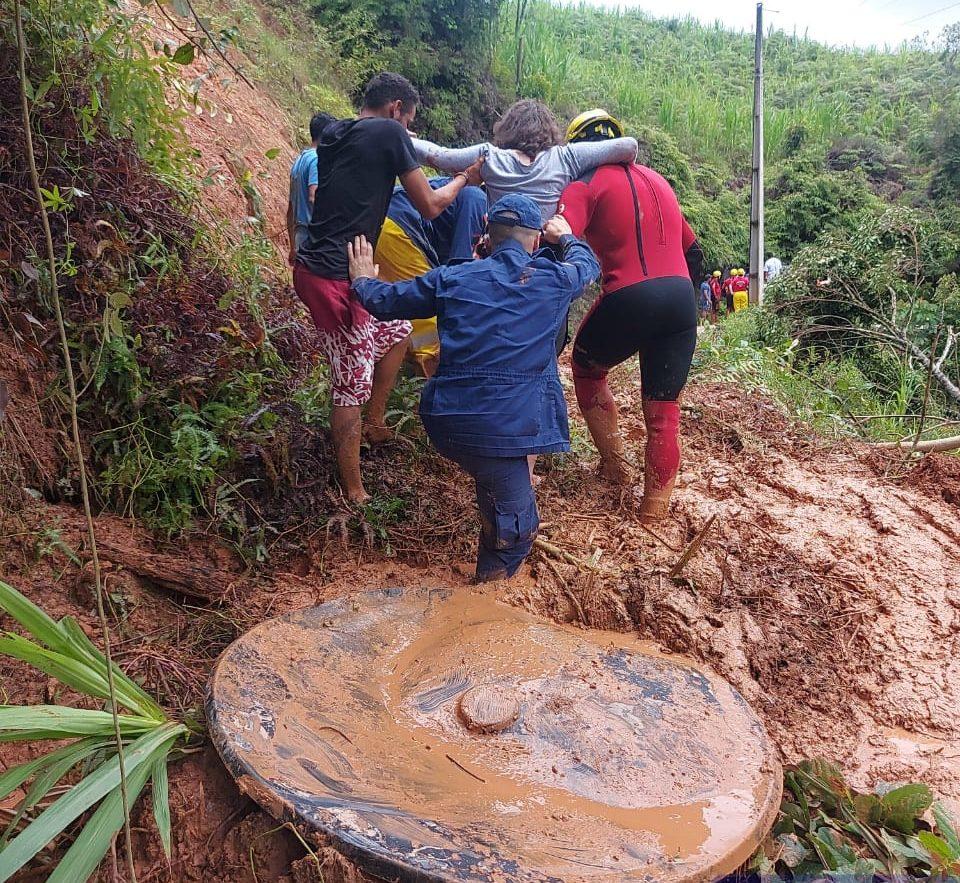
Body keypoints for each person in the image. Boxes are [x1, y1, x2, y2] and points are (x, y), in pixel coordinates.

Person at [347, 195, 600, 581]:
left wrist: (362, 278)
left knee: (497, 486)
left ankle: (490, 545)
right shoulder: (554, 280)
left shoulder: (452, 278)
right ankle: (484, 611)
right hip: (505, 426)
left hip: (447, 421)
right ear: (535, 241)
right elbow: (588, 265)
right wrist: (565, 236)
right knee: (515, 533)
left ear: (488, 236)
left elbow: (384, 301)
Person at [293, 72, 484, 504]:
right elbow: (431, 206)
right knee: (350, 380)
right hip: (334, 276)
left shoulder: (335, 133)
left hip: (323, 265)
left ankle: (375, 422)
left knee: (398, 331)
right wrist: (465, 178)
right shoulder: (387, 133)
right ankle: (355, 491)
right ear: (397, 108)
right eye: (407, 119)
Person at [559, 109, 704, 522]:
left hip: (627, 295)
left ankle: (614, 468)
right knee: (663, 412)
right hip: (680, 300)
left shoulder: (584, 182)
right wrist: (680, 304)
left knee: (586, 368)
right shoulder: (659, 181)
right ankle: (654, 513)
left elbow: (560, 239)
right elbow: (693, 251)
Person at [408, 101, 638, 223]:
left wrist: (396, 135)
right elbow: (629, 146)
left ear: (508, 128)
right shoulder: (566, 158)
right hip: (544, 259)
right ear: (549, 131)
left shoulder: (490, 156)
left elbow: (438, 156)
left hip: (498, 254)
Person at [375, 177, 487, 375]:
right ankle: (434, 382)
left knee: (397, 309)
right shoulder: (476, 198)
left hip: (379, 223)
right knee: (430, 315)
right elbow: (460, 268)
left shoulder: (455, 191)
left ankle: (397, 368)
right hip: (397, 229)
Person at [287, 112, 337, 264]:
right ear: (326, 134)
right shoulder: (316, 159)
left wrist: (292, 245)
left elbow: (290, 209)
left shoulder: (301, 158)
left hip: (299, 232)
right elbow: (313, 196)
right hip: (312, 235)